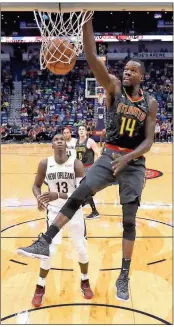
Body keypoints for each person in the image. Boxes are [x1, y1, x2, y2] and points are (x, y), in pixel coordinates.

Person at [17, 16, 158, 301]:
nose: (127, 72)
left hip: (133, 164)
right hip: (109, 156)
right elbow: (92, 57)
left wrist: (129, 158)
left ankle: (124, 276)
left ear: (142, 76)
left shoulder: (150, 103)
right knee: (79, 193)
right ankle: (45, 241)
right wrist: (86, 18)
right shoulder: (114, 88)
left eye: (133, 71)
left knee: (129, 220)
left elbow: (149, 142)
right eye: (126, 69)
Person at [22, 134, 93, 307]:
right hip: (54, 212)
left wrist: (58, 195)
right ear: (52, 145)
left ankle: (85, 281)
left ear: (66, 144)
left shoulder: (76, 164)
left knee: (81, 249)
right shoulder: (45, 164)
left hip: (74, 211)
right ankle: (40, 287)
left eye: (62, 138)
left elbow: (83, 195)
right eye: (56, 139)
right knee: (49, 251)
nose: (60, 140)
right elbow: (36, 185)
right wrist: (39, 197)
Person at [76, 124, 100, 219]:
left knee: (85, 190)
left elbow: (98, 153)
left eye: (83, 129)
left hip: (88, 168)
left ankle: (94, 211)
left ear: (86, 131)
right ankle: (85, 203)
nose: (81, 131)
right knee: (81, 190)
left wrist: (96, 166)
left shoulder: (90, 141)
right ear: (78, 131)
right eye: (80, 129)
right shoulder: (76, 142)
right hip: (79, 169)